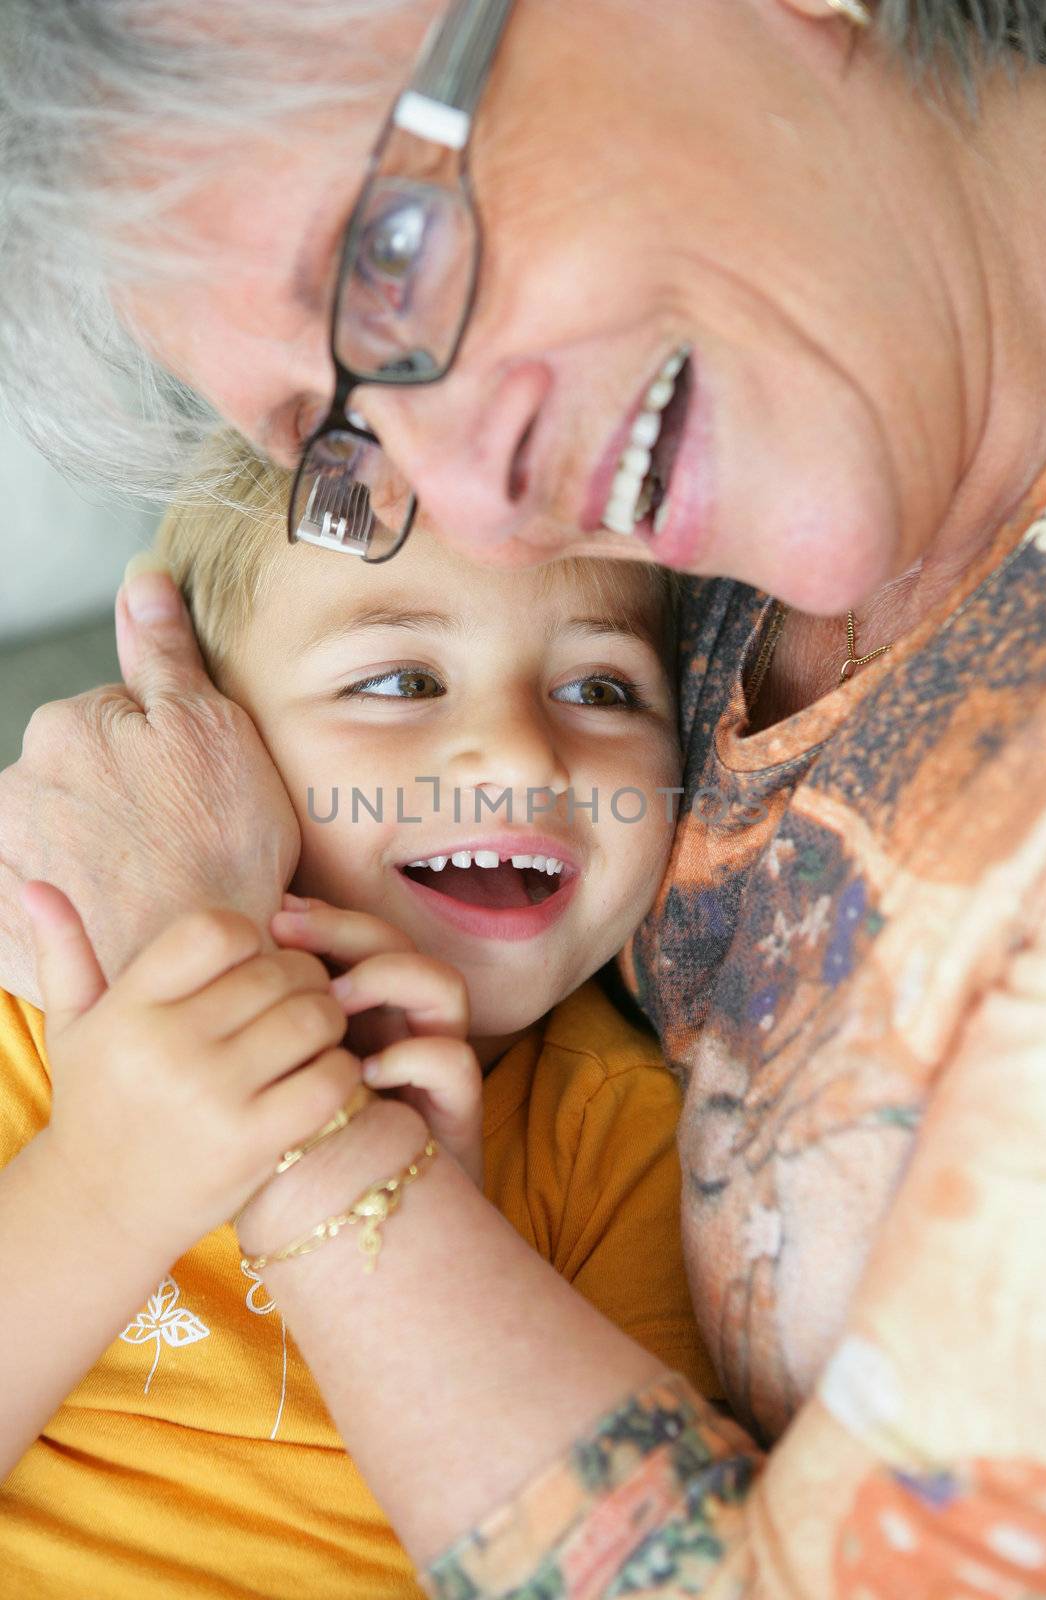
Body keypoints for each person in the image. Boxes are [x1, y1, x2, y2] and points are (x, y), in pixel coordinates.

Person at [2, 0, 1046, 1593]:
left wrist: (283, 1104)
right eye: (338, 430)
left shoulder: (593, 1147)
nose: (477, 510)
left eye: (387, 263)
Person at [0, 436, 717, 1597]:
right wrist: (103, 1179)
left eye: (598, 689)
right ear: (209, 743)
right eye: (399, 681)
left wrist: (425, 1221)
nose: (521, 754)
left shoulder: (619, 1140)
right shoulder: (36, 1016)